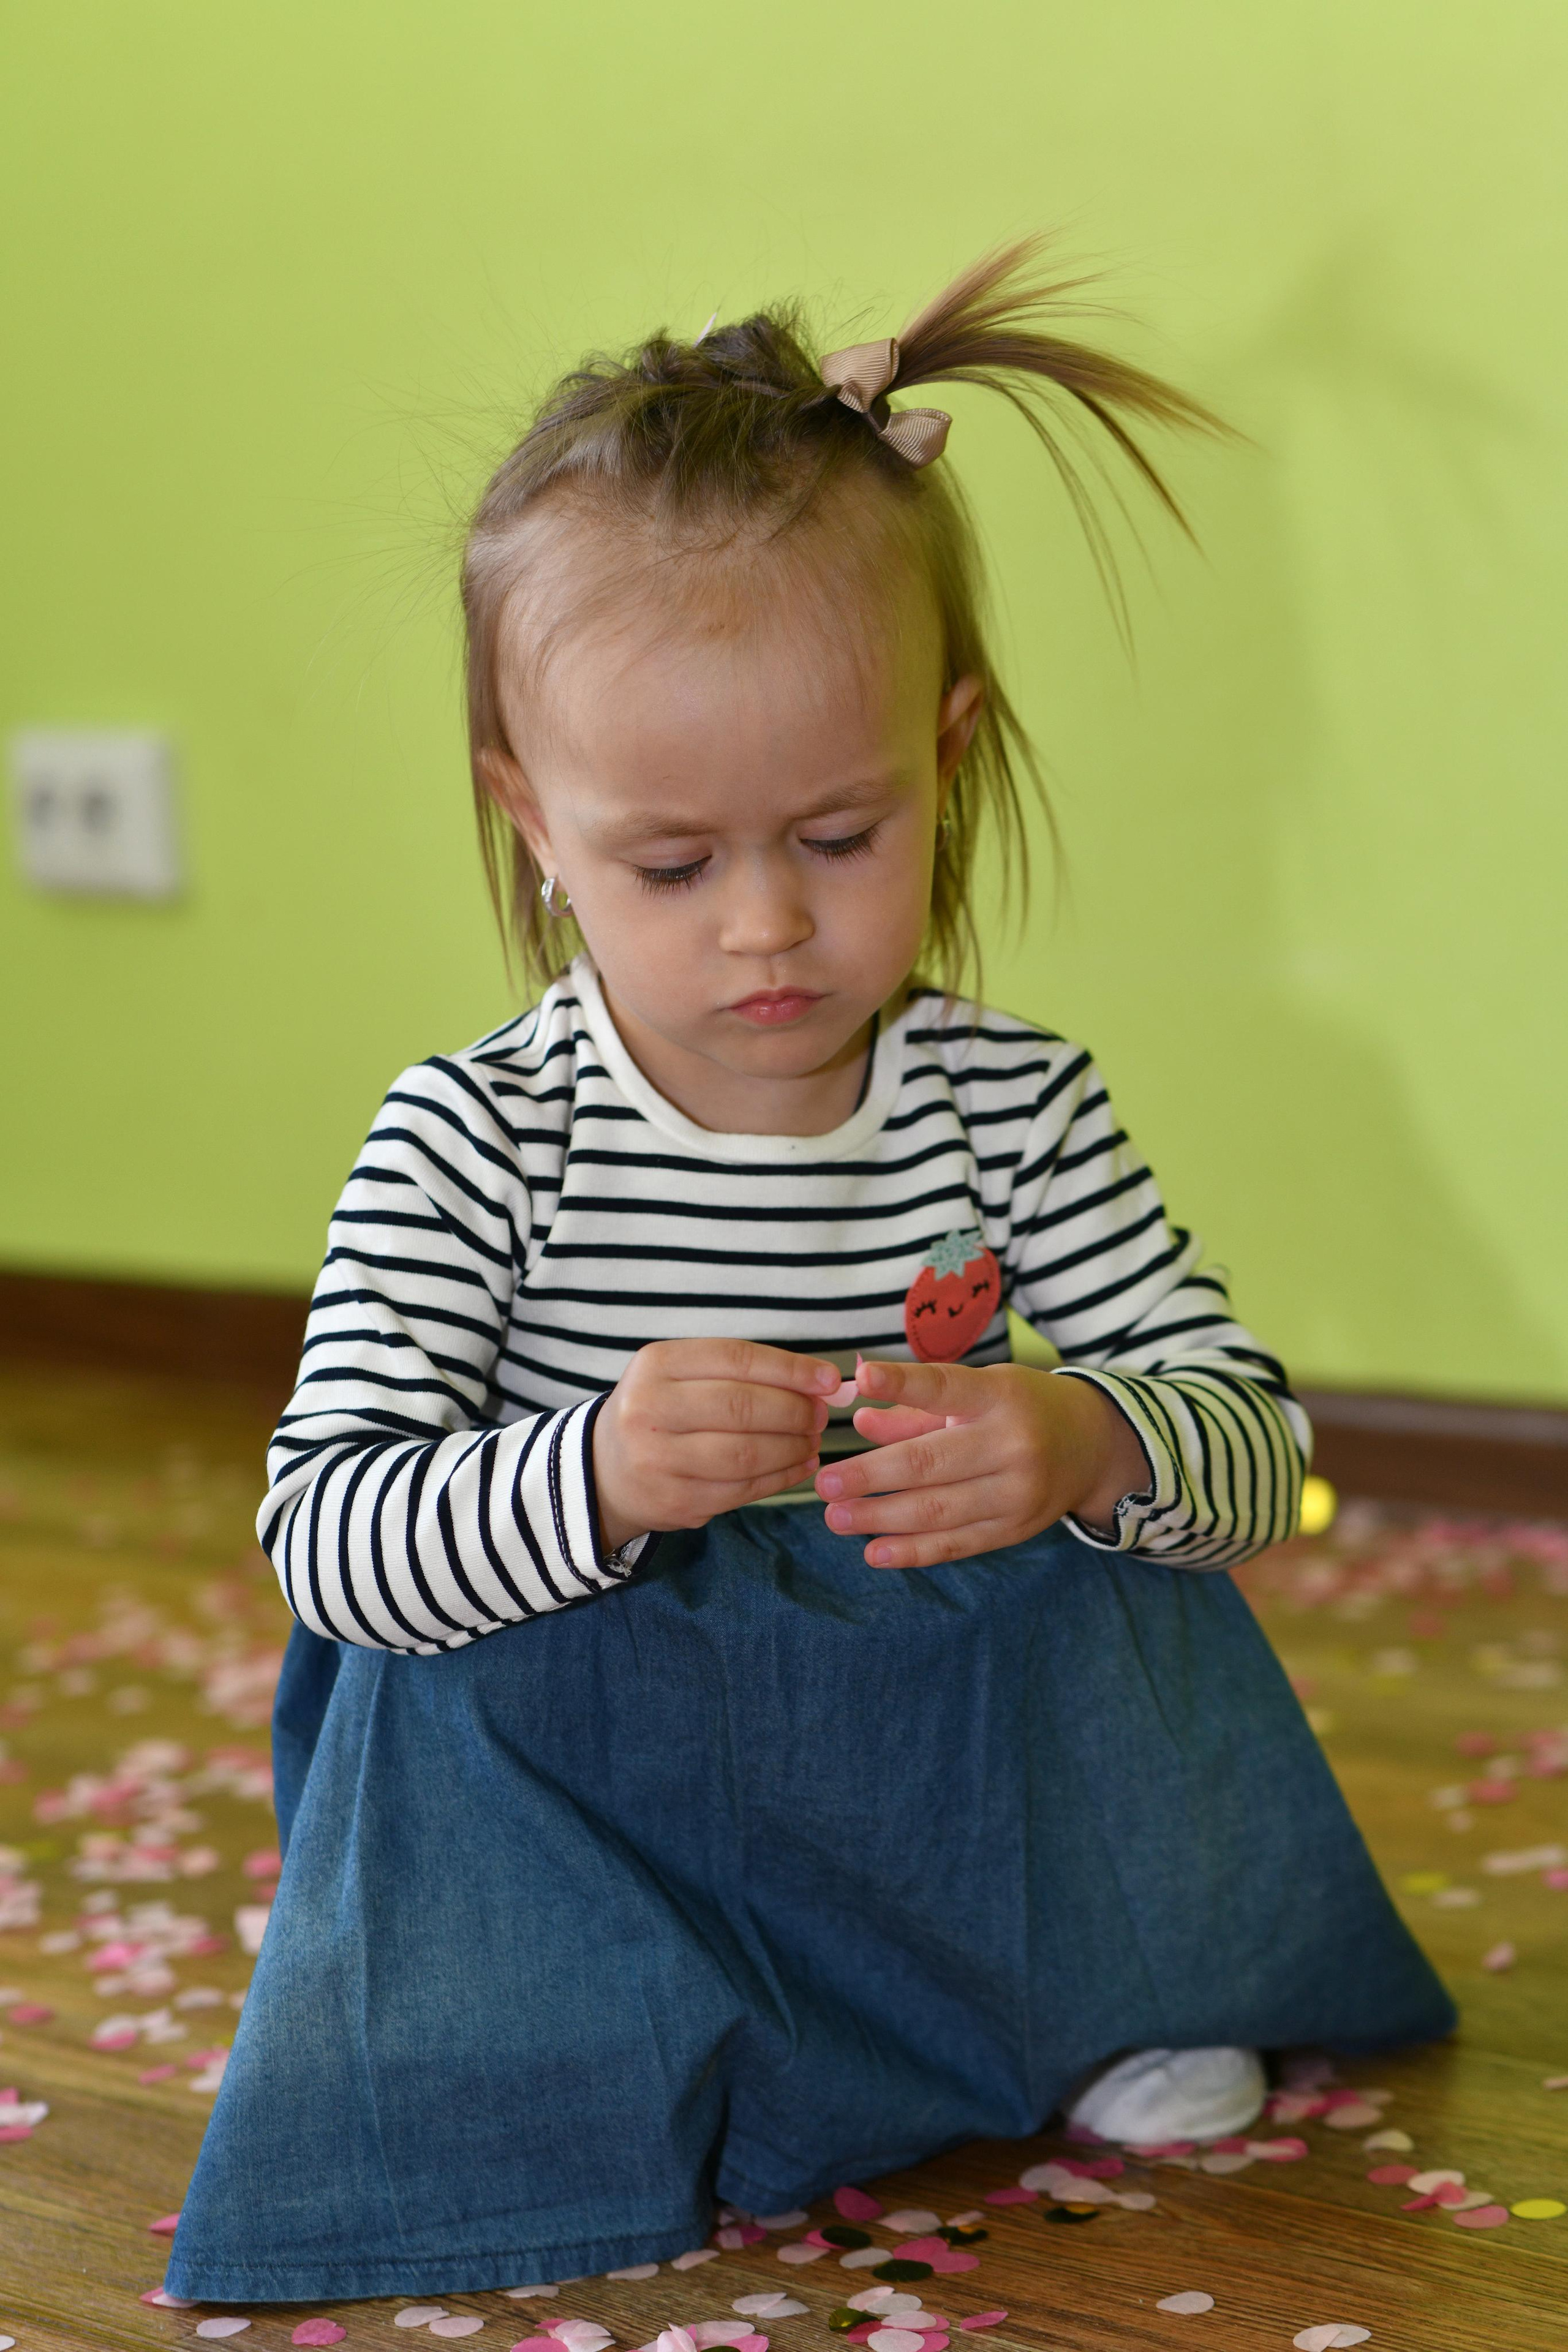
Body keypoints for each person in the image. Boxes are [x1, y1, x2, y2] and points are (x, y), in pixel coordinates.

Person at [166, 241, 1453, 2305]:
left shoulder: (1013, 1107)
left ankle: (1091, 1981)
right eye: (674, 864)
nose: (767, 925)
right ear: (535, 819)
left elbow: (1261, 1455)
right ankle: (627, 2038)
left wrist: (1079, 1436)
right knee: (459, 1695)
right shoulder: (477, 1136)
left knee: (1112, 1554)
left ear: (946, 757)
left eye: (841, 836)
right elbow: (329, 1542)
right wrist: (583, 1474)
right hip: (612, 1757)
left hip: (918, 1740)